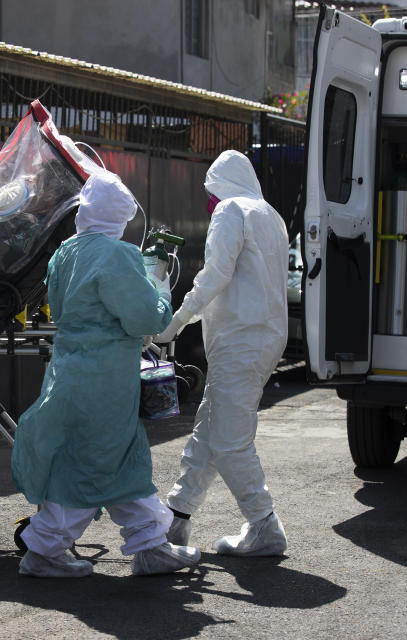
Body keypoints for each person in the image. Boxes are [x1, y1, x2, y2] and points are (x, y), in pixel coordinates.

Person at [10, 169, 202, 578]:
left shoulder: (65, 252)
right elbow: (141, 319)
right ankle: (44, 549)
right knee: (97, 461)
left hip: (69, 370)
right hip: (107, 376)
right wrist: (158, 287)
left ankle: (151, 543)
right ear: (120, 215)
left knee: (117, 458)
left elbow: (63, 310)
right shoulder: (118, 255)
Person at [153, 149, 289, 557]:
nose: (209, 200)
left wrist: (176, 320)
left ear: (219, 185)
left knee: (229, 441)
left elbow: (215, 274)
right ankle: (176, 517)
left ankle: (264, 524)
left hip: (239, 340)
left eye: (209, 190)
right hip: (262, 338)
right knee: (210, 430)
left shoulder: (231, 210)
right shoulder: (270, 214)